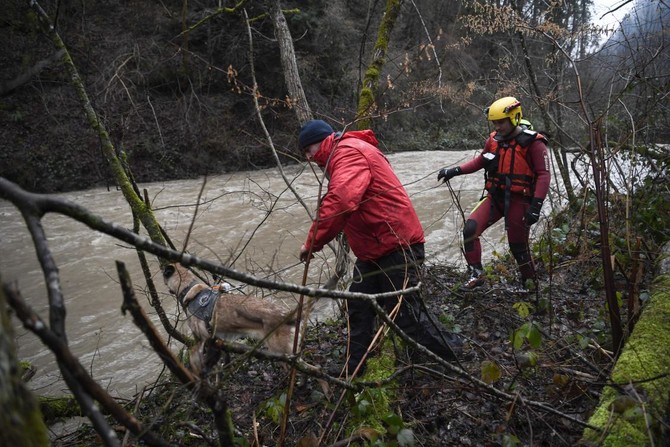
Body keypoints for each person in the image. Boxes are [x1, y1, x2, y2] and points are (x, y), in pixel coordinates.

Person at [298, 119, 462, 376]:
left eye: (308, 151)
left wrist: (312, 243)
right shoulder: (343, 153)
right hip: (374, 251)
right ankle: (353, 370)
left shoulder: (348, 152)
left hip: (396, 245)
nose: (308, 158)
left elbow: (342, 200)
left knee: (406, 317)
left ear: (321, 142)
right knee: (358, 307)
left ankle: (457, 358)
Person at [437, 97, 551, 292]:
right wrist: (454, 170)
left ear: (514, 118)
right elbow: (480, 161)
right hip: (495, 197)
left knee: (518, 246)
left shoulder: (533, 143)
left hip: (520, 200)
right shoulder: (493, 140)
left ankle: (531, 288)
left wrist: (536, 207)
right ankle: (476, 276)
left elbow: (543, 175)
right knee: (470, 230)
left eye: (501, 122)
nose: (497, 127)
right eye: (494, 123)